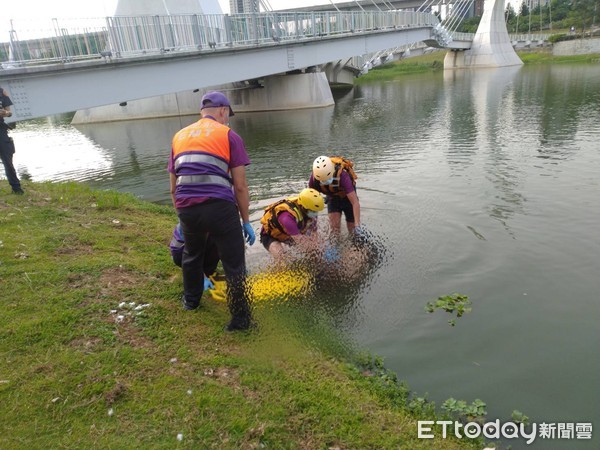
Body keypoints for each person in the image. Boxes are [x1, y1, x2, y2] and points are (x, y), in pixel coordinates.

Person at [168, 91, 255, 332]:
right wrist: (246, 220)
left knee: (192, 254)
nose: (227, 119)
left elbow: (173, 185)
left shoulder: (179, 136)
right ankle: (240, 320)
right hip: (219, 206)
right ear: (222, 111)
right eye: (228, 115)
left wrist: (183, 212)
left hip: (186, 205)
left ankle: (191, 301)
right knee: (234, 262)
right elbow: (240, 185)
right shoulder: (229, 135)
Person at [259, 188, 324, 260]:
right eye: (313, 211)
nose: (315, 214)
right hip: (270, 236)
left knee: (314, 252)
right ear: (303, 207)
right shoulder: (287, 218)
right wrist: (316, 250)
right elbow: (301, 242)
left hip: (289, 234)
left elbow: (314, 233)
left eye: (316, 211)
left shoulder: (311, 212)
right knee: (281, 257)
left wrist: (320, 249)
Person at [309, 155, 360, 235]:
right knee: (334, 228)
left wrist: (357, 224)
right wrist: (312, 225)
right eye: (322, 180)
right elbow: (311, 204)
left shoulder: (343, 176)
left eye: (326, 178)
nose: (325, 181)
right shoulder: (314, 179)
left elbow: (355, 202)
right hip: (333, 198)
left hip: (347, 199)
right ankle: (335, 246)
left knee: (352, 229)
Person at [169, 222, 218, 291]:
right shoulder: (193, 222)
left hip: (197, 245)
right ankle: (199, 274)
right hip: (181, 255)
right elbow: (193, 254)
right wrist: (202, 278)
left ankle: (207, 270)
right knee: (215, 240)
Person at [0, 86, 24, 195]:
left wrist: (5, 113)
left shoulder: (2, 92)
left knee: (7, 160)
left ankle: (16, 188)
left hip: (1, 130)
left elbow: (9, 113)